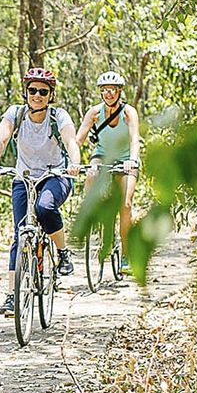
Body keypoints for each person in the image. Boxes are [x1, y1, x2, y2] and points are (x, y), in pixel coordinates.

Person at [0, 67, 82, 317]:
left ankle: (62, 252)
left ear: (51, 95)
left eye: (43, 91)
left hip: (55, 176)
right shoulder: (15, 114)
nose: (37, 95)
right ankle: (12, 294)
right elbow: (1, 139)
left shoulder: (58, 116)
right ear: (25, 92)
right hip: (23, 178)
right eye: (32, 90)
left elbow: (71, 141)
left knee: (45, 207)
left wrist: (74, 163)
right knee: (20, 234)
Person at [75, 70, 141, 273]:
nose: (108, 94)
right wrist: (72, 162)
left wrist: (132, 160)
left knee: (126, 205)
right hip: (102, 156)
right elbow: (78, 139)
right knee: (91, 174)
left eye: (112, 90)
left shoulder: (128, 112)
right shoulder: (94, 113)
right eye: (104, 91)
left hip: (125, 160)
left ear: (120, 91)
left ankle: (126, 255)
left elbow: (134, 139)